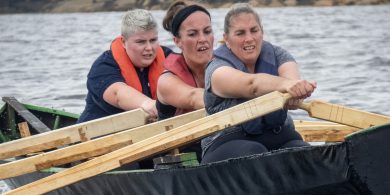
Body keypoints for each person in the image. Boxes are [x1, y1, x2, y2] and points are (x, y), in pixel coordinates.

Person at [201, 3, 317, 164]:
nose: (249, 38)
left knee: (303, 152)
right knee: (256, 154)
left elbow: (291, 80)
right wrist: (285, 85)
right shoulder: (217, 70)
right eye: (240, 33)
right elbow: (251, 85)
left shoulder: (279, 55)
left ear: (262, 31)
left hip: (278, 136)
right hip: (226, 143)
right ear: (226, 39)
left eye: (254, 30)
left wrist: (296, 92)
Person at [77, 9, 171, 123]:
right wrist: (149, 105)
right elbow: (118, 94)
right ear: (123, 42)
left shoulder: (168, 57)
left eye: (153, 40)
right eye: (141, 42)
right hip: (99, 135)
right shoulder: (103, 66)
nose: (149, 48)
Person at [156, 1, 214, 120]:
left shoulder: (224, 64)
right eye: (193, 34)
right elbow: (193, 98)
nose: (203, 39)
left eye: (207, 31)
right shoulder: (166, 81)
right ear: (177, 41)